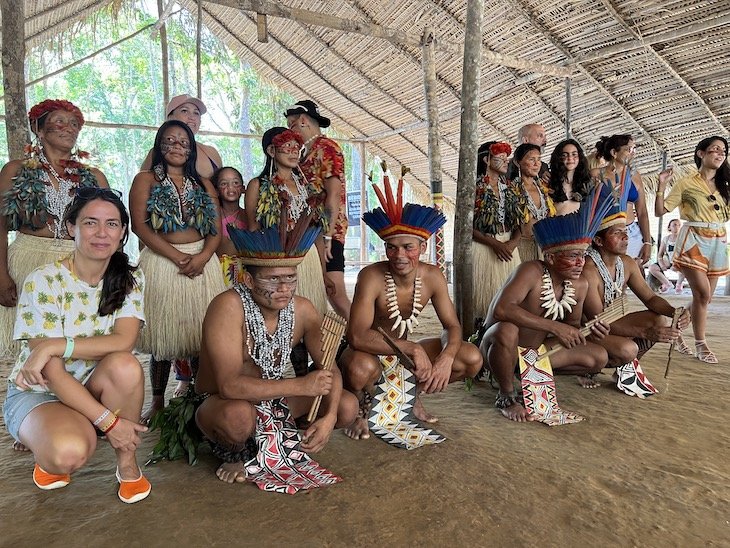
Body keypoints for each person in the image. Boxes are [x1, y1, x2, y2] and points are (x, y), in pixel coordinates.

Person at [2, 188, 150, 503]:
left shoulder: (130, 279)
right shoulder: (43, 280)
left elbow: (123, 340)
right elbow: (52, 374)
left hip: (96, 385)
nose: (101, 233)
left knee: (126, 365)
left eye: (112, 224)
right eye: (90, 223)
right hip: (42, 392)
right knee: (67, 453)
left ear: (123, 232)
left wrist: (54, 345)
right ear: (71, 227)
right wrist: (110, 422)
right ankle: (49, 437)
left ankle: (127, 462)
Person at [195, 222, 357, 488]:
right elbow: (229, 385)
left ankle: (285, 435)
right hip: (224, 401)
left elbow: (329, 368)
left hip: (275, 400)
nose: (284, 287)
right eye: (272, 279)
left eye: (291, 277)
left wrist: (328, 419)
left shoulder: (302, 310)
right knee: (237, 419)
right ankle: (234, 450)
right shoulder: (227, 307)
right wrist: (300, 385)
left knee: (345, 407)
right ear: (248, 279)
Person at [338, 169, 482, 441]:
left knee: (470, 357)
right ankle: (360, 410)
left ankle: (410, 398)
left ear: (423, 247)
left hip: (402, 356)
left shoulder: (433, 276)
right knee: (360, 369)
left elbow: (452, 326)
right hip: (367, 353)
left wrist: (446, 358)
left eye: (408, 247)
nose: (399, 255)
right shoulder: (371, 276)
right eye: (391, 248)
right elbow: (356, 336)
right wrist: (413, 348)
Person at [479, 186, 612, 421]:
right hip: (496, 346)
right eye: (572, 256)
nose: (580, 263)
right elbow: (502, 310)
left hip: (533, 353)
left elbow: (568, 328)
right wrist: (554, 327)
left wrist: (589, 330)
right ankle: (505, 393)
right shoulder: (531, 271)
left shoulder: (579, 285)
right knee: (507, 329)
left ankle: (526, 375)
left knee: (598, 356)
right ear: (550, 257)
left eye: (582, 256)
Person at [130, 120, 225, 421]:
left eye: (183, 142)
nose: (177, 146)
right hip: (162, 262)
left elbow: (215, 228)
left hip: (202, 261)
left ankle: (198, 399)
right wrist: (176, 256)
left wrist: (204, 256)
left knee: (199, 336)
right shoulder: (145, 179)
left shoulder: (204, 184)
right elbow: (139, 225)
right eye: (169, 140)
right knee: (162, 338)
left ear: (192, 149)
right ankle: (157, 400)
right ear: (159, 145)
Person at [0, 99, 109, 357]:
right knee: (35, 348)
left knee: (73, 344)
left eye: (74, 124)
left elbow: (108, 228)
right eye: (59, 122)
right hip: (29, 261)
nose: (69, 128)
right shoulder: (15, 171)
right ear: (39, 129)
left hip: (78, 263)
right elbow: (0, 227)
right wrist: (2, 276)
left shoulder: (94, 176)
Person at [582, 181, 691, 395]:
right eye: (616, 233)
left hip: (612, 321)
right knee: (627, 348)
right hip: (590, 329)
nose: (625, 237)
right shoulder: (589, 269)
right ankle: (588, 367)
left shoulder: (628, 263)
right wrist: (644, 331)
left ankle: (625, 368)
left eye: (625, 231)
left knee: (659, 319)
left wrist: (674, 312)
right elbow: (596, 321)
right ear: (598, 240)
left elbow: (650, 299)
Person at [655, 136, 730, 364]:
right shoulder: (686, 183)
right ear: (701, 154)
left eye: (723, 151)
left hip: (718, 241)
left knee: (702, 299)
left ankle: (677, 325)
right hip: (693, 240)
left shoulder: (725, 185)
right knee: (704, 294)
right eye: (714, 149)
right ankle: (701, 344)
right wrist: (660, 185)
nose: (719, 153)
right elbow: (660, 211)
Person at [244, 127, 328, 315]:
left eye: (296, 146)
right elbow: (254, 228)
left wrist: (323, 271)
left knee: (310, 312)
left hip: (308, 257)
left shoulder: (308, 187)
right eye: (287, 145)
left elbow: (317, 232)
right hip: (276, 260)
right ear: (271, 151)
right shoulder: (257, 185)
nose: (293, 151)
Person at [285, 100, 352, 320]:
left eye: (291, 125)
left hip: (326, 234)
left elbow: (333, 194)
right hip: (309, 234)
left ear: (303, 120)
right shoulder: (306, 152)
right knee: (321, 288)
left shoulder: (327, 147)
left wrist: (328, 235)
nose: (290, 131)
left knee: (336, 292)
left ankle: (366, 338)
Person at [472, 141, 525, 326]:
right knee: (485, 302)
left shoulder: (510, 188)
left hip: (509, 246)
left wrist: (513, 243)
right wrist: (495, 244)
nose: (506, 161)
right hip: (485, 247)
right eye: (500, 157)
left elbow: (520, 223)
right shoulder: (474, 189)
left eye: (506, 158)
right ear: (486, 159)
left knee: (510, 298)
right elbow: (466, 228)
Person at [592, 134, 652, 266]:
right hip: (605, 233)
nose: (633, 153)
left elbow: (642, 212)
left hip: (631, 232)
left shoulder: (635, 176)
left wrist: (647, 241)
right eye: (628, 149)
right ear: (614, 152)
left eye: (634, 149)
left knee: (627, 276)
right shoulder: (596, 175)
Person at [141, 94, 222, 180]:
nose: (192, 117)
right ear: (170, 118)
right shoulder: (156, 152)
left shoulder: (211, 152)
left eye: (196, 113)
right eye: (184, 111)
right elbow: (142, 186)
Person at [511, 143, 556, 262]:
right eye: (531, 159)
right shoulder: (512, 190)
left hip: (545, 248)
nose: (537, 164)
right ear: (518, 162)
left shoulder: (543, 189)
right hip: (523, 249)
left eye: (539, 159)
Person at [212, 166, 247, 287]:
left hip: (246, 272)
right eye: (224, 184)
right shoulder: (213, 217)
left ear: (243, 189)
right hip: (218, 272)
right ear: (216, 191)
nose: (230, 188)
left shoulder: (248, 216)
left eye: (235, 183)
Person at [548, 139, 594, 216]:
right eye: (565, 155)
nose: (570, 158)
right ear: (558, 158)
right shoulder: (549, 182)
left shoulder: (587, 184)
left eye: (574, 154)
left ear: (579, 157)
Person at [647, 219, 685, 294]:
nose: (676, 227)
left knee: (685, 268)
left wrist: (677, 264)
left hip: (680, 261)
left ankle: (679, 284)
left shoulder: (683, 238)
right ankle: (667, 283)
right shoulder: (666, 239)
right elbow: (660, 255)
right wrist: (662, 264)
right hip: (669, 259)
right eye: (674, 225)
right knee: (652, 268)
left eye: (679, 225)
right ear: (669, 227)